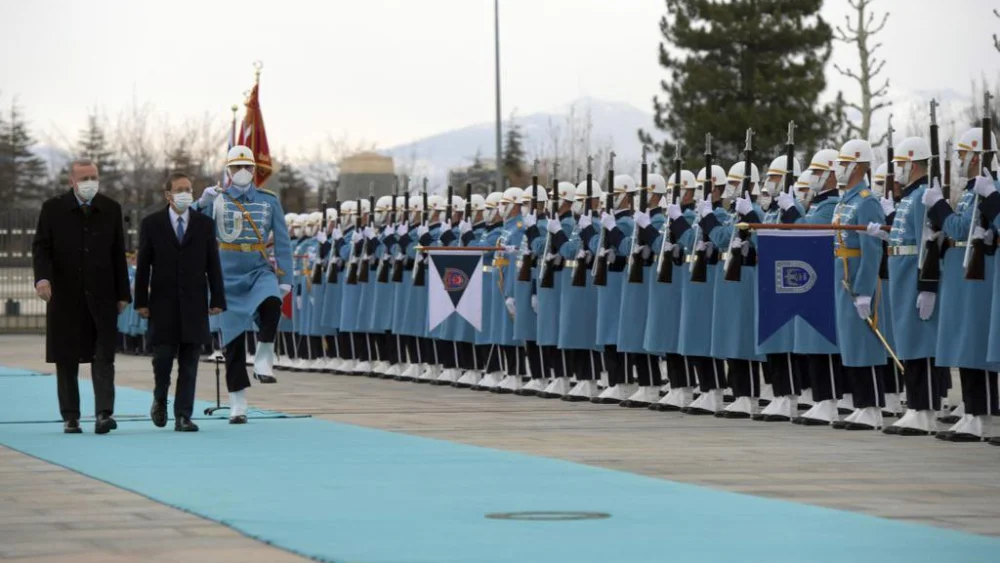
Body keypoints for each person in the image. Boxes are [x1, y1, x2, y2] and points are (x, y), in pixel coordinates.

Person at [190, 145, 293, 424]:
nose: (243, 172)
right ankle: (238, 401)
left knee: (272, 304)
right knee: (233, 341)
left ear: (254, 171)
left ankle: (264, 356)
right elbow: (183, 222)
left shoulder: (269, 200)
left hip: (258, 268)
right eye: (236, 168)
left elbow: (282, 242)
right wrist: (200, 203)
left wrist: (286, 280)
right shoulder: (216, 200)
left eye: (247, 167)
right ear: (228, 171)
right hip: (225, 273)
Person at [32, 158, 130, 434]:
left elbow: (117, 254)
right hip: (65, 295)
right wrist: (42, 279)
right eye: (84, 178)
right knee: (67, 358)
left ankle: (103, 414)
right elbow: (41, 248)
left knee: (104, 356)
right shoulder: (52, 209)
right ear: (71, 182)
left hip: (102, 295)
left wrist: (123, 293)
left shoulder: (110, 209)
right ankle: (71, 416)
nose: (90, 183)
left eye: (94, 177)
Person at [134, 172, 226, 432]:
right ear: (168, 195)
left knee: (190, 361)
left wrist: (218, 297)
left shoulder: (204, 224)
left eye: (189, 188)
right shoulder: (152, 224)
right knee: (162, 360)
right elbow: (143, 266)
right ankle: (160, 398)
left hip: (194, 303)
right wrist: (141, 300)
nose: (186, 193)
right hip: (162, 304)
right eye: (180, 189)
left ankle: (183, 415)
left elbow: (213, 265)